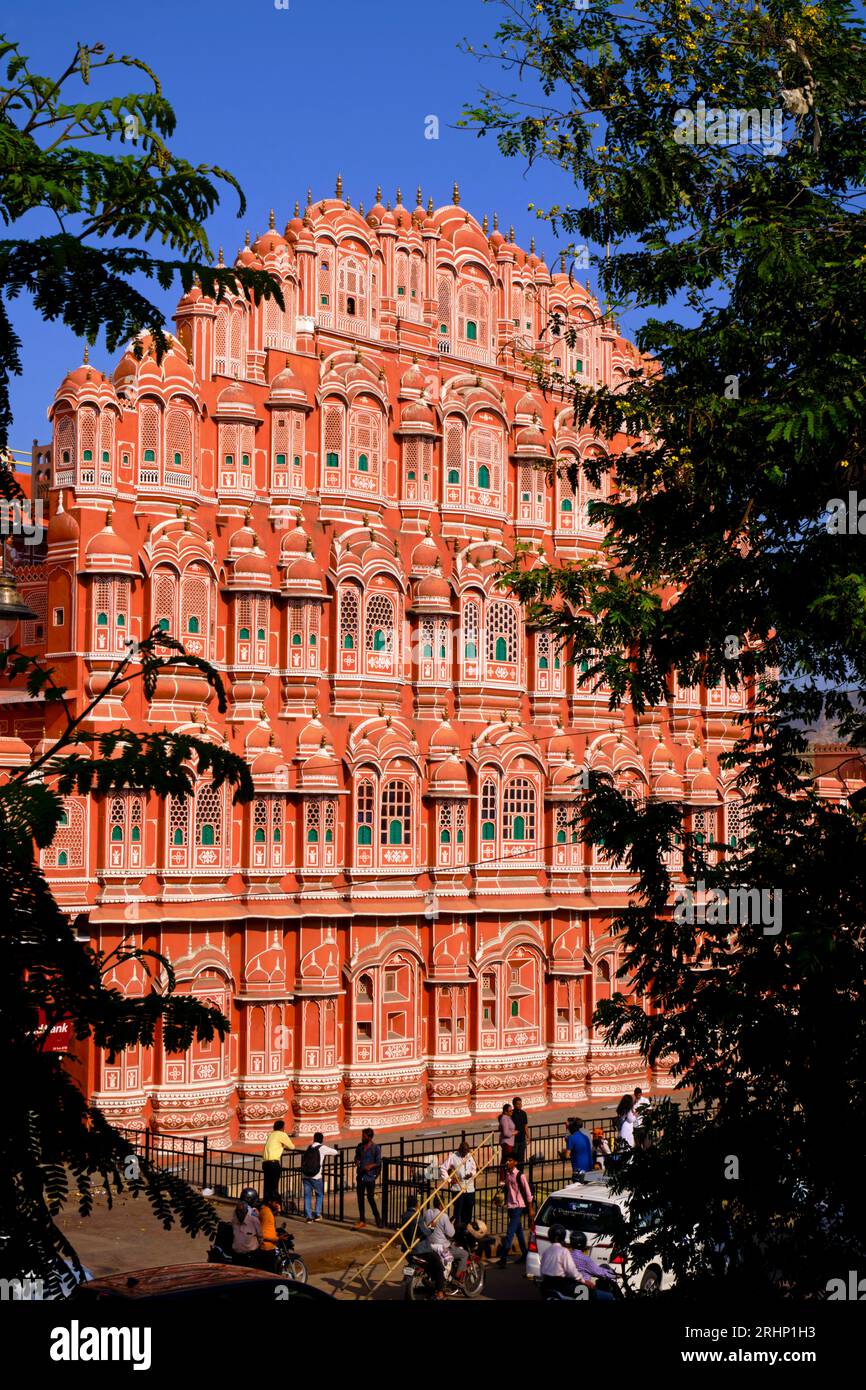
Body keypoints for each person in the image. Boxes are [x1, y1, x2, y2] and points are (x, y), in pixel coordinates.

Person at [415, 1196, 469, 1298]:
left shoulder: (427, 1213)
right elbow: (451, 1233)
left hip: (430, 1245)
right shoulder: (443, 1216)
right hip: (442, 1246)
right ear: (440, 1205)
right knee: (464, 1254)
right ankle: (457, 1277)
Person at [497, 1155, 534, 1267]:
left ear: (515, 1162)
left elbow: (528, 1192)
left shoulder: (520, 1176)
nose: (508, 1162)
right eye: (507, 1160)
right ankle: (525, 1253)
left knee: (509, 1233)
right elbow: (508, 1190)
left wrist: (531, 1208)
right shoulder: (508, 1174)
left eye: (510, 1160)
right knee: (519, 1232)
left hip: (518, 1207)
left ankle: (503, 1258)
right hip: (510, 1206)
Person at [569, 1229, 618, 1301]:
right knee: (611, 1297)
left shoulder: (567, 1256)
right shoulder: (585, 1259)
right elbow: (600, 1272)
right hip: (583, 1290)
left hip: (570, 1288)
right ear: (584, 1244)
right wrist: (615, 1275)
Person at [301, 1131, 338, 1223]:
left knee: (307, 1196)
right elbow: (335, 1152)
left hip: (305, 1175)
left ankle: (309, 1217)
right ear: (322, 1140)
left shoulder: (309, 1147)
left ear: (314, 1139)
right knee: (319, 1194)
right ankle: (317, 1214)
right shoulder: (322, 1148)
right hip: (316, 1176)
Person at [440, 1140, 477, 1227]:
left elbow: (474, 1169)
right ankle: (458, 1230)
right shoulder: (453, 1156)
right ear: (460, 1150)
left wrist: (471, 1174)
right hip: (458, 1188)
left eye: (466, 1152)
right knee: (458, 1211)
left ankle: (466, 1228)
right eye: (463, 1152)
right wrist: (449, 1180)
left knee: (469, 1208)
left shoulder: (470, 1156)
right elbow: (443, 1168)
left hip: (469, 1188)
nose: (465, 1154)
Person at [539, 1223, 578, 1298]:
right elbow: (571, 1271)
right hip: (559, 1285)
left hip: (545, 1285)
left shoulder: (546, 1251)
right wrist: (581, 1279)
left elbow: (541, 1271)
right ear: (563, 1237)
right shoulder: (564, 1251)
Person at [354, 1127, 382, 1228]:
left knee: (370, 1198)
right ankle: (362, 1220)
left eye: (364, 1136)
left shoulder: (375, 1148)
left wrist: (370, 1166)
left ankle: (378, 1218)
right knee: (360, 1199)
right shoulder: (360, 1146)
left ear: (369, 1137)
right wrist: (356, 1161)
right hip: (360, 1176)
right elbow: (356, 1156)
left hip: (370, 1177)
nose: (362, 1138)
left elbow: (378, 1162)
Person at [261, 1119, 294, 1205]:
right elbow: (292, 1147)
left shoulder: (271, 1134)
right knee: (274, 1186)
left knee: (267, 1186)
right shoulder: (282, 1134)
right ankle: (277, 1205)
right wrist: (283, 1145)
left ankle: (267, 1204)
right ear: (283, 1128)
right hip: (273, 1163)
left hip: (265, 1163)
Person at [230, 1200, 262, 1267]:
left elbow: (260, 1236)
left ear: (245, 1211)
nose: (239, 1213)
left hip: (249, 1257)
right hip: (236, 1255)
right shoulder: (235, 1218)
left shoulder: (253, 1219)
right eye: (237, 1211)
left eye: (241, 1211)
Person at [256, 1195, 282, 1272]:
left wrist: (276, 1212)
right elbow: (264, 1234)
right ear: (270, 1202)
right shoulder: (267, 1214)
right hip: (267, 1249)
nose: (277, 1205)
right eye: (275, 1203)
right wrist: (278, 1238)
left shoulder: (266, 1210)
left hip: (266, 1247)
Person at [511, 1096, 529, 1171]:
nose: (520, 1105)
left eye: (520, 1103)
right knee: (514, 1157)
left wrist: (528, 1136)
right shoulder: (511, 1114)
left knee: (521, 1157)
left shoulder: (523, 1113)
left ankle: (521, 1173)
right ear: (514, 1105)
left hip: (522, 1139)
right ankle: (514, 1172)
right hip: (514, 1140)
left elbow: (525, 1125)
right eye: (518, 1104)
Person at [498, 1102, 516, 1175]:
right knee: (508, 1160)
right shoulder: (504, 1119)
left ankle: (504, 1177)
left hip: (509, 1142)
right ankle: (506, 1176)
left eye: (512, 1110)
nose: (511, 1112)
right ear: (505, 1111)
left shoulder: (507, 1118)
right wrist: (514, 1133)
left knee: (505, 1160)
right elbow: (506, 1133)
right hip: (507, 1143)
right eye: (510, 1111)